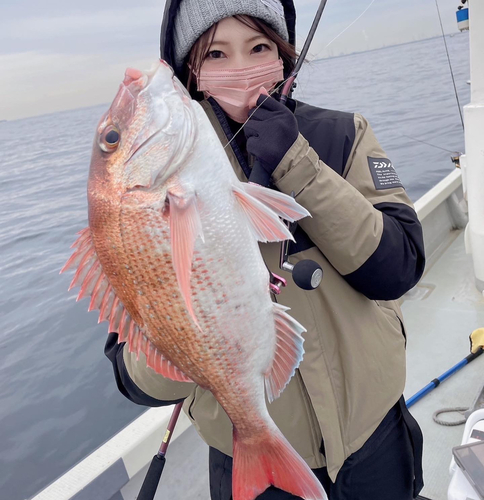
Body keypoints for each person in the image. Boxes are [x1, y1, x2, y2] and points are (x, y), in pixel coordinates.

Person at [105, 0, 426, 498]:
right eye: (215, 54)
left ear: (282, 57)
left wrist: (299, 164)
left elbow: (399, 267)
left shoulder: (342, 135)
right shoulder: (145, 198)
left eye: (258, 47)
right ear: (190, 70)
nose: (240, 68)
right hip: (249, 461)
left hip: (376, 435)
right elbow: (134, 380)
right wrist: (185, 336)